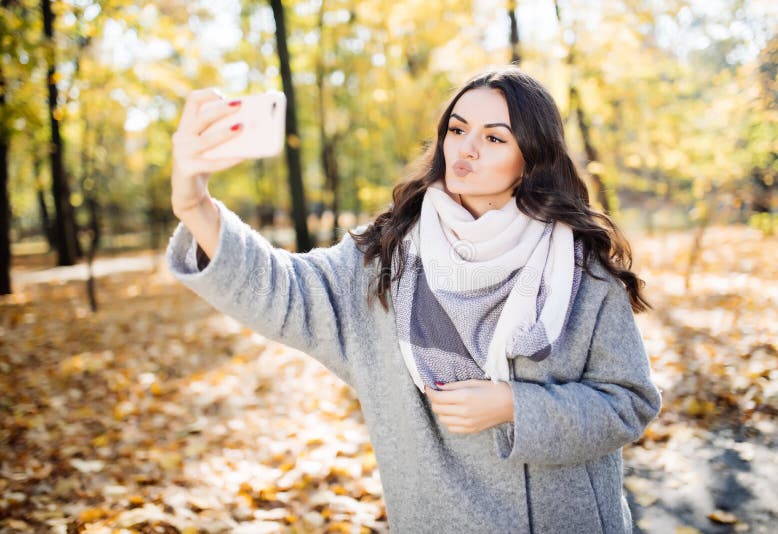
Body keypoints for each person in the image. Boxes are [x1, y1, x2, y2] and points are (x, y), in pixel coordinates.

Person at [166, 65, 662, 533]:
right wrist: (195, 205)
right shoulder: (385, 256)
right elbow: (280, 287)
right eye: (457, 130)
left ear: (530, 158)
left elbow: (629, 401)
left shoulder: (579, 267)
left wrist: (517, 406)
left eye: (493, 138)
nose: (465, 149)